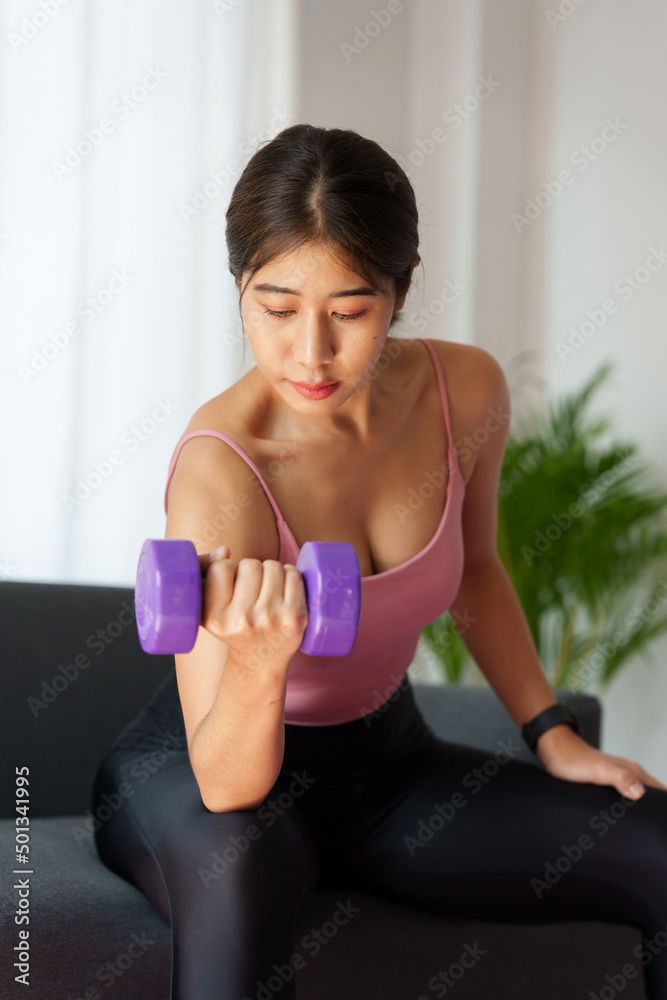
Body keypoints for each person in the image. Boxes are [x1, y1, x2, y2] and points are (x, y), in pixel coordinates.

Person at [92, 123, 667, 1000]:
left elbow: (474, 570)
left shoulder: (463, 389)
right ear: (239, 288)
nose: (310, 354)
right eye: (275, 308)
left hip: (391, 770)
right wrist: (256, 658)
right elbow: (225, 780)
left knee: (657, 841)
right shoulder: (220, 468)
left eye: (350, 311)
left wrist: (550, 732)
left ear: (399, 294)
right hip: (211, 776)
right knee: (238, 869)